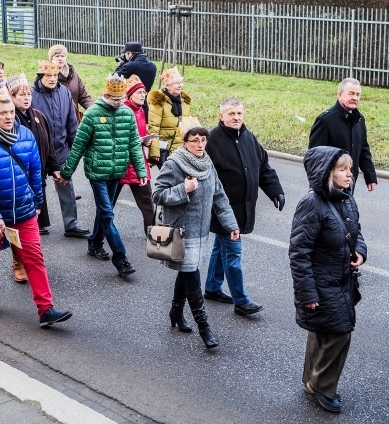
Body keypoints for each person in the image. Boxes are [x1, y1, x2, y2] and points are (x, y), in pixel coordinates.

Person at [0, 87, 72, 328]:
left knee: (34, 259)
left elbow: (36, 171)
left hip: (23, 212)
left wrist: (37, 202)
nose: (9, 116)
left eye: (11, 111)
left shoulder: (25, 135)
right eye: (3, 112)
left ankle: (46, 309)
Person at [289, 146, 367, 413]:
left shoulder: (346, 199)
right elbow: (299, 253)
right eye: (342, 170)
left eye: (351, 170)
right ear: (326, 173)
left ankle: (311, 380)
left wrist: (360, 252)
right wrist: (307, 294)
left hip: (342, 279)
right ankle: (324, 387)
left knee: (323, 331)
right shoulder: (311, 204)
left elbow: (356, 231)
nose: (350, 175)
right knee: (338, 332)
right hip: (321, 282)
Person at [153, 126, 240, 348]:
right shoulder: (174, 164)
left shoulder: (207, 164)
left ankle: (175, 312)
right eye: (195, 140)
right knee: (191, 273)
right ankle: (204, 328)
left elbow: (219, 196)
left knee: (187, 271)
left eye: (203, 140)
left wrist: (231, 225)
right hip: (181, 232)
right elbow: (158, 195)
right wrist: (184, 188)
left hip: (201, 232)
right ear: (185, 143)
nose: (200, 144)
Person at [204, 98, 284, 317]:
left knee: (221, 248)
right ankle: (241, 300)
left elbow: (264, 169)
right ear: (221, 116)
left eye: (239, 113)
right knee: (233, 252)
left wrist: (275, 191)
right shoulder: (212, 142)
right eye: (231, 114)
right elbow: (204, 177)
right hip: (223, 211)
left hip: (244, 208)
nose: (236, 118)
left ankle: (212, 287)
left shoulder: (249, 138)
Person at [61, 74, 147, 277]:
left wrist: (141, 170)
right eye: (115, 99)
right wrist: (67, 172)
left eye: (121, 99)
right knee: (108, 213)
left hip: (117, 171)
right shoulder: (92, 113)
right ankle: (121, 259)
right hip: (97, 173)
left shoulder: (127, 113)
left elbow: (134, 144)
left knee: (103, 211)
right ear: (106, 94)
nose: (118, 103)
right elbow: (79, 145)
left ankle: (94, 243)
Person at [7, 73, 62, 282]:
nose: (26, 98)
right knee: (18, 223)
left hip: (37, 179)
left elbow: (49, 146)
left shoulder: (39, 116)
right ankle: (17, 261)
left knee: (34, 223)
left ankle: (31, 259)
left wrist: (54, 167)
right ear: (12, 97)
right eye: (21, 95)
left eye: (28, 94)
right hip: (16, 180)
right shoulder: (10, 120)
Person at [31, 61, 89, 238]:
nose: (52, 79)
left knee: (66, 185)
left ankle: (71, 224)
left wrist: (74, 148)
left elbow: (72, 121)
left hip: (61, 148)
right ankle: (38, 223)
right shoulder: (31, 94)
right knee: (37, 186)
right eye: (48, 76)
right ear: (41, 76)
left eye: (55, 76)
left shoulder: (64, 92)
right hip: (39, 150)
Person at [308, 78, 377, 192]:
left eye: (357, 94)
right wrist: (320, 185)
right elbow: (314, 157)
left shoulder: (359, 120)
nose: (355, 98)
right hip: (329, 185)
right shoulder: (325, 120)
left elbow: (363, 149)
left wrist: (370, 176)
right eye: (351, 94)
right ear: (340, 95)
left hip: (349, 182)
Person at [112, 75, 155, 233]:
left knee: (148, 204)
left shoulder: (141, 111)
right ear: (129, 94)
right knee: (108, 205)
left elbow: (140, 135)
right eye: (139, 92)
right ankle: (99, 237)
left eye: (144, 92)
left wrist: (146, 141)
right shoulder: (122, 111)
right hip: (121, 164)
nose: (143, 95)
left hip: (138, 163)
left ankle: (153, 237)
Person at [147, 67, 191, 168]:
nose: (180, 85)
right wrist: (154, 151)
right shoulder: (158, 101)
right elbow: (153, 127)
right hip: (165, 150)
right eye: (176, 83)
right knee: (169, 179)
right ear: (167, 85)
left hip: (180, 149)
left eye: (181, 82)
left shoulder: (184, 101)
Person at [48, 44, 93, 123]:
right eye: (57, 56)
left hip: (74, 119)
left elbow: (84, 97)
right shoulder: (47, 77)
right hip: (56, 121)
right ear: (51, 59)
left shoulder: (74, 75)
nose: (60, 59)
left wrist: (94, 110)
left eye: (62, 56)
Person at [114, 41, 157, 118]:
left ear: (129, 53)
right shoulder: (153, 66)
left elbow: (114, 78)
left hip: (130, 104)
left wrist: (122, 63)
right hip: (145, 103)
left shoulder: (130, 66)